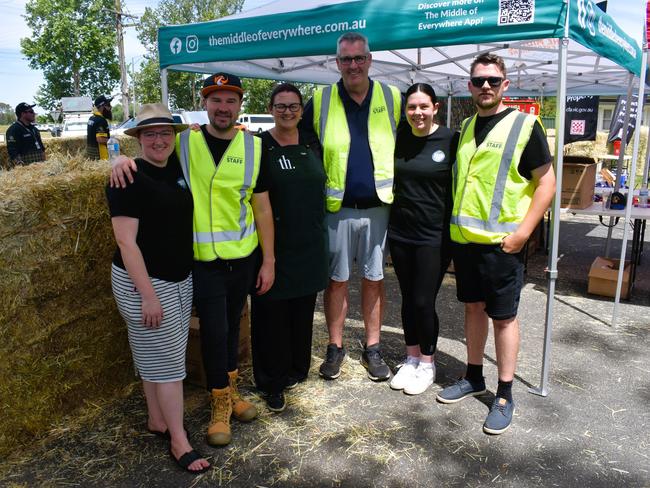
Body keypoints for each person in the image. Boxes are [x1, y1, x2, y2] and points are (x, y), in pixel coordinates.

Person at [110, 73, 275, 448]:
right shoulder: (184, 142)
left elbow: (262, 208)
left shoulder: (253, 147)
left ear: (239, 105)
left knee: (232, 327)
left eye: (230, 100)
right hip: (202, 261)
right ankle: (219, 401)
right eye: (215, 100)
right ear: (204, 104)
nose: (223, 107)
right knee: (215, 332)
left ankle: (230, 391)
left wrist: (269, 260)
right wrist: (116, 161)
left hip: (242, 257)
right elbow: (147, 156)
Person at [436, 53, 555, 435]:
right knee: (473, 309)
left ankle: (504, 394)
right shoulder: (467, 126)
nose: (484, 86)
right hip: (467, 242)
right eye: (477, 81)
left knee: (503, 318)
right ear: (469, 87)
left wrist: (522, 234)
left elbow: (547, 183)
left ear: (505, 85)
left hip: (503, 244)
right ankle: (473, 376)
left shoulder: (524, 125)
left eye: (492, 80)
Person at [105, 103, 210, 474]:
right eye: (150, 134)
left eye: (165, 132)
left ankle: (156, 419)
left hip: (178, 278)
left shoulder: (174, 168)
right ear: (138, 139)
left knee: (157, 357)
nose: (159, 139)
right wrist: (148, 295)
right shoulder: (129, 177)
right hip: (146, 282)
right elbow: (126, 243)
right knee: (169, 366)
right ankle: (179, 440)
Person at [299, 32, 402, 382]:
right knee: (337, 281)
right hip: (336, 208)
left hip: (379, 208)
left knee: (374, 280)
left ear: (370, 60)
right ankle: (335, 346)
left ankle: (373, 348)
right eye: (346, 59)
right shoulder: (321, 99)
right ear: (337, 63)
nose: (353, 65)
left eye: (359, 58)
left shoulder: (392, 97)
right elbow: (300, 141)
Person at [251, 83, 328, 412]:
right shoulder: (259, 146)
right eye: (281, 106)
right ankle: (272, 382)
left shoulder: (313, 142)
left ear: (301, 109)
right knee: (271, 317)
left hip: (310, 244)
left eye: (293, 106)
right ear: (271, 108)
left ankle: (298, 369)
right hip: (274, 246)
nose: (287, 111)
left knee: (302, 313)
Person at [387, 83, 454, 396]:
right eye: (412, 107)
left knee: (423, 300)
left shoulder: (450, 140)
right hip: (401, 232)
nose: (417, 113)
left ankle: (428, 363)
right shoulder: (399, 138)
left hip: (434, 235)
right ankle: (411, 357)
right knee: (406, 296)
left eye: (423, 106)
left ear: (435, 108)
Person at [5, 102, 46, 167]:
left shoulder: (34, 129)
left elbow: (42, 148)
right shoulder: (14, 130)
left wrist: (45, 163)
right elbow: (13, 151)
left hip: (40, 169)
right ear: (23, 114)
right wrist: (21, 168)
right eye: (31, 112)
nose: (34, 114)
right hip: (26, 170)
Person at [87, 95, 113, 160]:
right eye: (108, 105)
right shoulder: (101, 120)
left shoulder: (92, 118)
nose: (110, 107)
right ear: (101, 107)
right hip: (101, 157)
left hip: (92, 156)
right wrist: (113, 142)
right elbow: (100, 139)